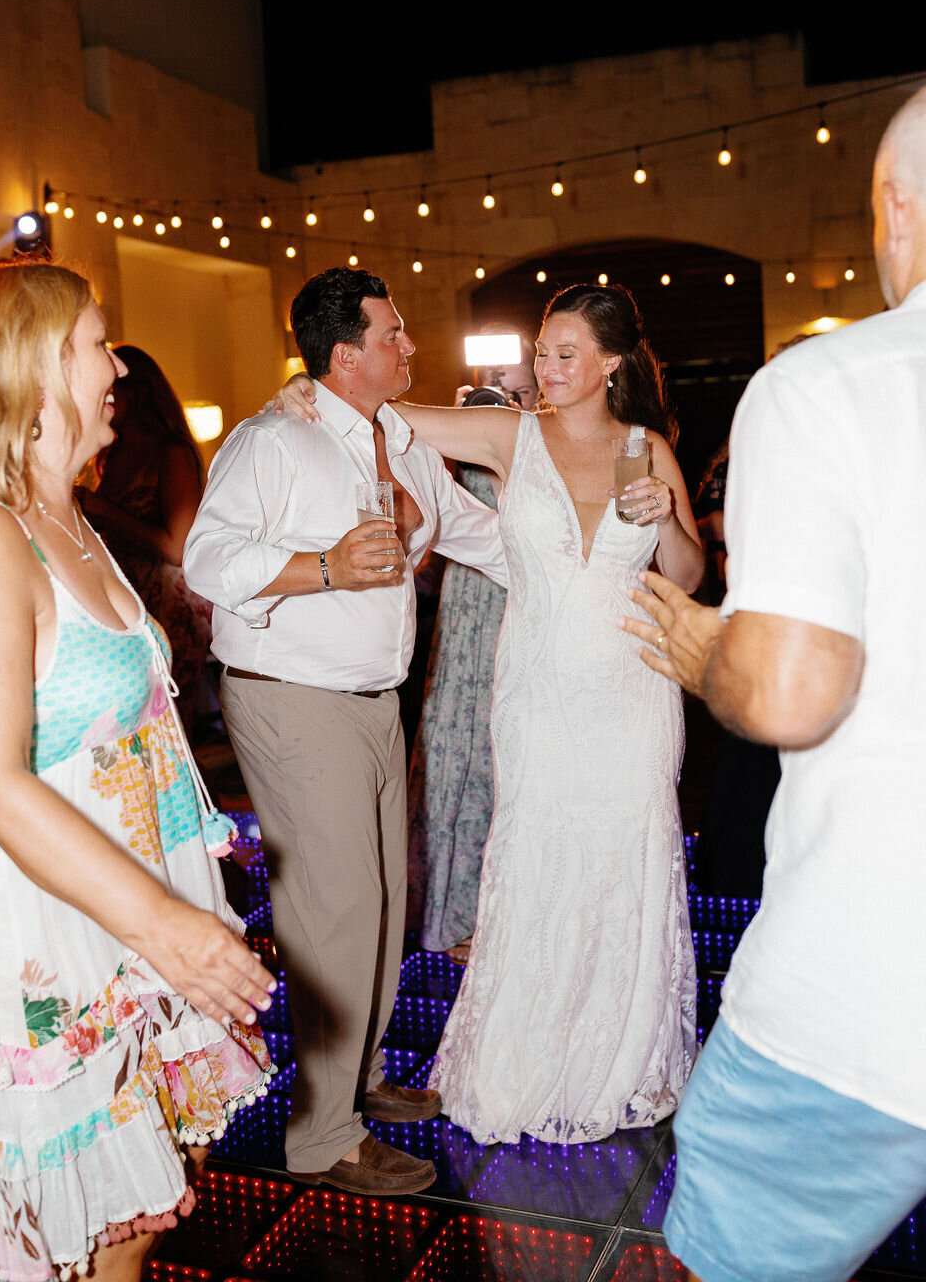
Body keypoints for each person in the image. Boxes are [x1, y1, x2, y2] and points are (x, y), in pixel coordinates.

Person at [0, 263, 276, 1282]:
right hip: (40, 931)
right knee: (85, 1235)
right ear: (33, 369)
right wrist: (167, 929)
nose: (116, 367)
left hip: (124, 909)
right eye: (95, 345)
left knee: (148, 1203)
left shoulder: (63, 516)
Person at [620, 86, 926, 1282]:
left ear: (897, 209)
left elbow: (792, 687)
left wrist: (703, 646)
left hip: (873, 991)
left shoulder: (835, 386)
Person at [280, 281, 704, 1145]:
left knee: (628, 860)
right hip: (540, 695)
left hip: (633, 693)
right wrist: (310, 392)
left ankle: (615, 1058)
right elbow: (392, 415)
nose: (544, 369)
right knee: (541, 858)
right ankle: (526, 1060)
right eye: (541, 352)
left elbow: (689, 577)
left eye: (564, 354)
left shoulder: (646, 448)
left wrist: (666, 521)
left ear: (612, 363)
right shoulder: (512, 433)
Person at [182, 267, 507, 1194]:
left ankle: (358, 1082)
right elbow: (208, 560)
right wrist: (322, 565)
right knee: (334, 915)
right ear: (345, 353)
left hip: (373, 701)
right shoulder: (272, 440)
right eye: (394, 334)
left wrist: (589, 575)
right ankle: (323, 1136)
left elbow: (484, 537)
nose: (410, 348)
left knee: (382, 908)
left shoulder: (398, 442)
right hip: (291, 696)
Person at [407, 336, 538, 963]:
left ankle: (515, 915)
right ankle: (454, 916)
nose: (503, 396)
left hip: (528, 608)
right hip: (466, 615)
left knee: (513, 756)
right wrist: (455, 433)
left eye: (515, 387)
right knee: (458, 749)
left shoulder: (553, 436)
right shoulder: (466, 433)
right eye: (494, 386)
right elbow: (425, 527)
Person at [81, 345, 212, 742]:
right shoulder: (113, 454)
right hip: (129, 600)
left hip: (171, 607)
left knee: (170, 728)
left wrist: (104, 511)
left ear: (135, 393)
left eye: (111, 390)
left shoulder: (171, 452)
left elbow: (177, 547)